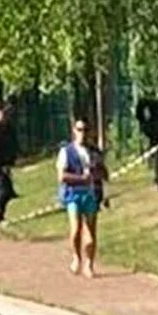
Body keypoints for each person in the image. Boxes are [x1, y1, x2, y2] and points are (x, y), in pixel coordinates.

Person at [57, 118, 108, 277]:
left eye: (86, 130)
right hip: (74, 194)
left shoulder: (94, 152)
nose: (83, 134)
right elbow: (62, 176)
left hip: (91, 194)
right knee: (76, 229)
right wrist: (81, 179)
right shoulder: (66, 151)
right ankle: (76, 257)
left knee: (91, 234)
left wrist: (96, 175)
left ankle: (89, 264)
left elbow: (105, 174)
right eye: (79, 130)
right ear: (74, 131)